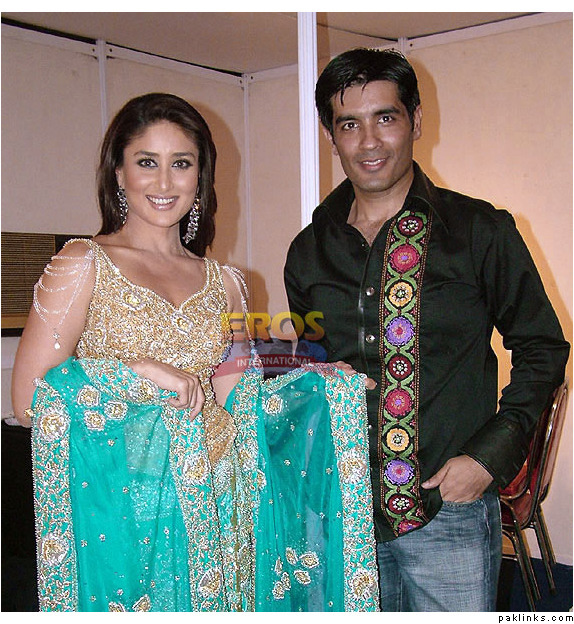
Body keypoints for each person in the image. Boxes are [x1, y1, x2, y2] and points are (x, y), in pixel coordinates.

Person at [12, 93, 380, 612]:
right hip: (130, 514)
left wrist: (316, 386)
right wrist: (134, 373)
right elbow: (31, 401)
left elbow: (241, 400)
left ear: (201, 176)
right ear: (118, 173)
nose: (164, 182)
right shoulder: (83, 263)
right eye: (147, 162)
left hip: (221, 503)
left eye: (181, 164)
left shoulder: (226, 282)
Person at [284, 48, 570, 612]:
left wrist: (488, 457)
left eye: (385, 117)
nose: (369, 141)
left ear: (415, 121)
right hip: (341, 510)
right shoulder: (309, 250)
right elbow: (310, 362)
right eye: (349, 124)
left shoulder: (478, 230)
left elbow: (542, 346)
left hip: (447, 508)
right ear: (330, 136)